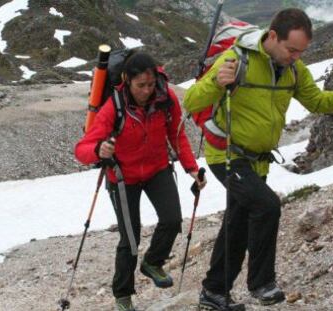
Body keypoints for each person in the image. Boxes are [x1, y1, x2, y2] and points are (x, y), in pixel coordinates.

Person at [184, 8, 333, 311]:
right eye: (291, 49)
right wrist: (217, 84)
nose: (295, 56)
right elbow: (191, 101)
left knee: (237, 223)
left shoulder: (294, 69)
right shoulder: (237, 60)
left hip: (258, 160)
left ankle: (214, 293)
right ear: (273, 36)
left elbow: (317, 101)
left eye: (301, 52)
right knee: (266, 205)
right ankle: (261, 284)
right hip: (226, 155)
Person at [75, 52, 206, 311]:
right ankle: (123, 296)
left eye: (150, 84)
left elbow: (176, 136)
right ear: (127, 80)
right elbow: (82, 147)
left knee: (171, 220)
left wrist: (192, 168)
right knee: (130, 239)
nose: (147, 90)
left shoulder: (165, 98)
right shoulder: (114, 106)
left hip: (157, 168)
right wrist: (99, 150)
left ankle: (152, 263)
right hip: (123, 177)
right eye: (140, 86)